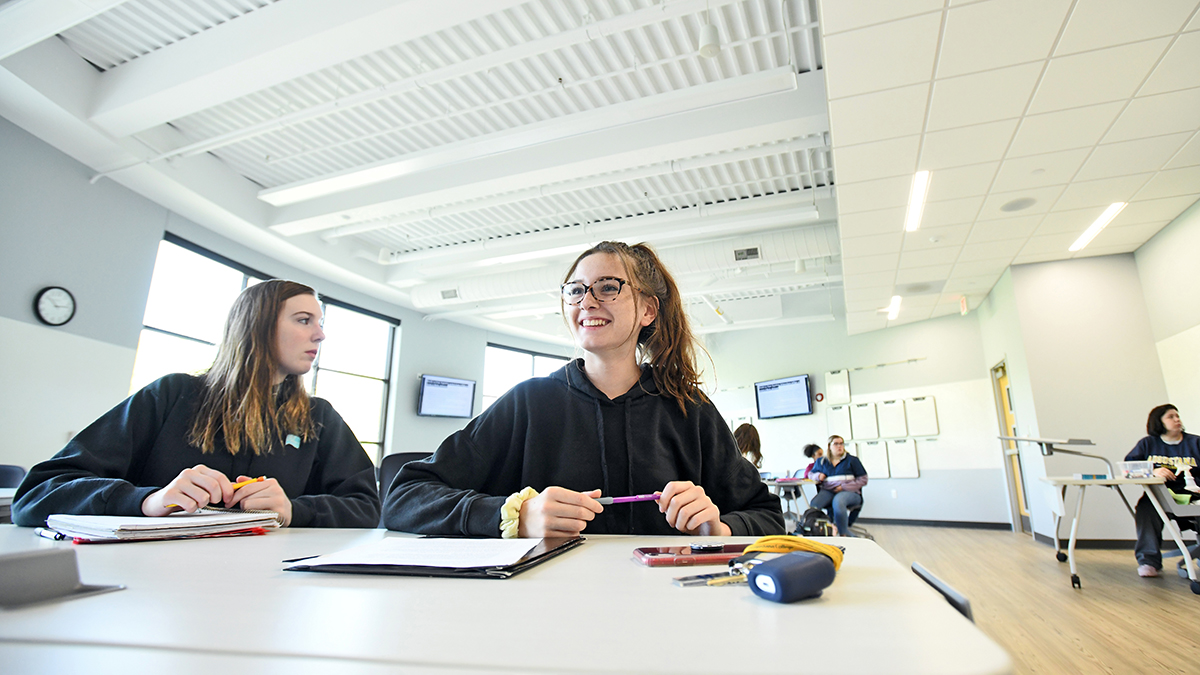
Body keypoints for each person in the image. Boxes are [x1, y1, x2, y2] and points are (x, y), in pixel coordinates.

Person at [383, 241, 784, 538]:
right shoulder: (528, 403)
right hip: (548, 616)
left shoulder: (689, 409)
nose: (587, 301)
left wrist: (721, 528)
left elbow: (767, 515)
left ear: (648, 309)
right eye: (575, 290)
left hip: (667, 616)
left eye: (608, 287)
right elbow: (404, 496)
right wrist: (514, 516)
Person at [13, 280, 380, 528]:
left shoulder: (318, 418)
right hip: (151, 586)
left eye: (320, 322)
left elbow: (367, 508)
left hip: (270, 587)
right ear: (256, 326)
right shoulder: (171, 395)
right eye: (304, 320)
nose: (320, 334)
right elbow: (36, 495)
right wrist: (147, 501)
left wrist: (293, 510)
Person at [1125, 404, 1200, 578]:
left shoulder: (1195, 443)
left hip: (1193, 495)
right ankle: (1149, 561)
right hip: (1160, 496)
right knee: (1145, 509)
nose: (1177, 420)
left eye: (1177, 416)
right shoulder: (1147, 444)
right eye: (1171, 417)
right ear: (1158, 421)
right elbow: (1128, 468)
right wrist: (1152, 471)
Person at [808, 435, 867, 537]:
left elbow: (863, 479)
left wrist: (843, 487)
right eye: (836, 444)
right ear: (829, 446)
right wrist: (818, 476)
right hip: (828, 491)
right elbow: (811, 474)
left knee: (838, 501)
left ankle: (843, 533)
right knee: (814, 504)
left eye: (841, 444)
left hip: (850, 492)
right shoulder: (822, 461)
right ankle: (816, 531)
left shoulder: (852, 460)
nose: (839, 446)